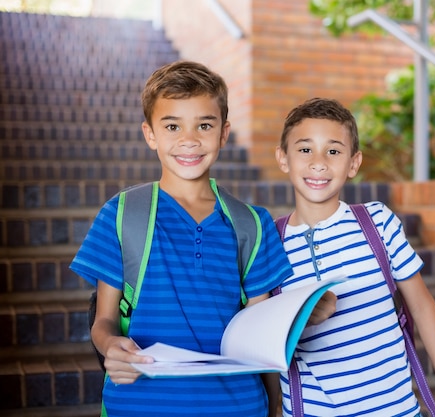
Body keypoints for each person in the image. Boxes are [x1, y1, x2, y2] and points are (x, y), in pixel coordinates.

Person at [70, 60, 293, 417]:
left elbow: (259, 336)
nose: (189, 140)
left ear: (223, 133)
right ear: (150, 134)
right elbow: (105, 321)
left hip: (238, 407)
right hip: (139, 406)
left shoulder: (253, 223)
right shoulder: (122, 214)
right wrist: (111, 345)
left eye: (204, 125)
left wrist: (276, 407)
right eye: (172, 125)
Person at [274, 97, 435, 417]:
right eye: (305, 149)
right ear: (284, 158)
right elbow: (264, 339)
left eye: (334, 151)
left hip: (394, 409)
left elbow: (422, 306)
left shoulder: (377, 222)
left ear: (353, 162)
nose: (319, 162)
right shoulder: (271, 242)